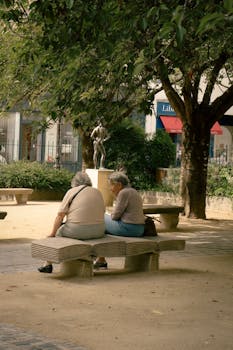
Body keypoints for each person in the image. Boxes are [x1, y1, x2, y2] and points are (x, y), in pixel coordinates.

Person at [38, 171, 105, 273]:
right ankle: (101, 259)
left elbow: (60, 216)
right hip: (98, 231)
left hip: (77, 230)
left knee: (58, 233)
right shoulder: (97, 191)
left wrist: (52, 234)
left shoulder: (72, 191)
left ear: (74, 182)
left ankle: (48, 264)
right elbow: (102, 211)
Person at [94, 172, 145, 269]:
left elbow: (115, 216)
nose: (110, 189)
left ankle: (100, 260)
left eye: (112, 185)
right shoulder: (133, 191)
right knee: (103, 220)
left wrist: (110, 214)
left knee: (100, 218)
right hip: (139, 228)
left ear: (119, 185)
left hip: (129, 228)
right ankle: (101, 259)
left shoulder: (123, 193)